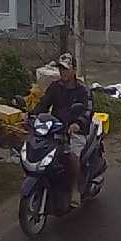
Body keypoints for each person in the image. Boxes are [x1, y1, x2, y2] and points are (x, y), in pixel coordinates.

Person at [33, 52, 91, 208]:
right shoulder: (55, 87)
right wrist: (31, 115)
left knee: (72, 156)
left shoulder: (82, 90)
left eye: (66, 69)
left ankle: (75, 189)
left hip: (75, 131)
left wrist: (78, 123)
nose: (63, 72)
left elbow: (87, 111)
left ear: (74, 70)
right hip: (55, 128)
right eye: (61, 69)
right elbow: (43, 104)